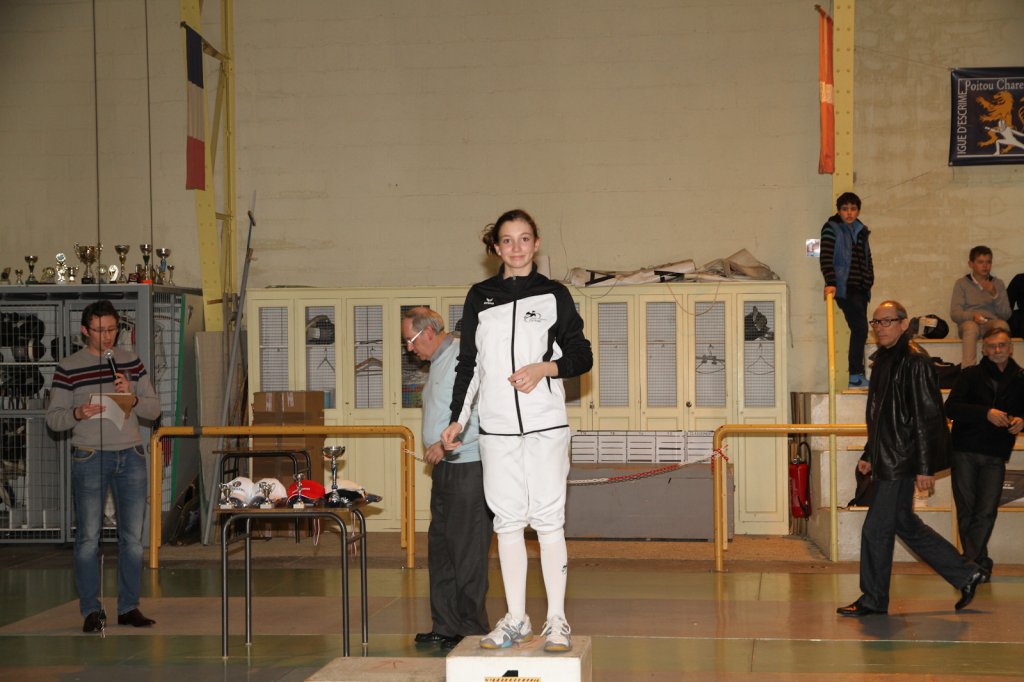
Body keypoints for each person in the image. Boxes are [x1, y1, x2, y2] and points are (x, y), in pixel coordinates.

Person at [441, 209, 592, 653]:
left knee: (548, 521)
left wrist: (544, 368)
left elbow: (581, 356)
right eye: (507, 240)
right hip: (497, 430)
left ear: (536, 243)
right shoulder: (479, 298)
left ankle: (557, 620)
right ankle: (516, 619)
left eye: (525, 239)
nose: (517, 248)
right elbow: (469, 366)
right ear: (496, 248)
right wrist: (457, 419)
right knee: (506, 523)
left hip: (546, 426)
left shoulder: (554, 295)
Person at [837, 300, 986, 617]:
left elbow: (927, 418)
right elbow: (881, 418)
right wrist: (869, 453)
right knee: (906, 524)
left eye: (887, 321)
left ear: (904, 324)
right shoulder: (884, 360)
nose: (880, 328)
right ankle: (966, 574)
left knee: (875, 530)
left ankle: (873, 599)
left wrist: (925, 467)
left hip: (902, 460)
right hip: (890, 457)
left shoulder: (915, 361)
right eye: (876, 322)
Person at [46, 300, 161, 633]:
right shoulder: (68, 367)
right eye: (99, 330)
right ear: (85, 330)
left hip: (131, 455)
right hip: (89, 456)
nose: (107, 336)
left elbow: (154, 410)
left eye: (112, 329)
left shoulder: (130, 362)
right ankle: (91, 611)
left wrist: (133, 396)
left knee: (132, 539)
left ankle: (129, 607)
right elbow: (54, 419)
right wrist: (77, 413)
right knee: (88, 538)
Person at [403, 306, 491, 650]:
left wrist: (444, 444)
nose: (409, 348)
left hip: (468, 467)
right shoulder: (437, 363)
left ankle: (472, 630)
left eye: (411, 340)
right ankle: (445, 625)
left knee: (467, 552)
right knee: (441, 549)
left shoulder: (461, 358)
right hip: (444, 470)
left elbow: (479, 412)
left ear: (428, 332)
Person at [945, 328, 1024, 579]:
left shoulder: (1021, 377)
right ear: (984, 349)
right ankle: (978, 564)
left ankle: (970, 564)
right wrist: (985, 413)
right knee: (967, 510)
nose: (997, 350)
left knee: (987, 510)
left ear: (1011, 348)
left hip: (995, 454)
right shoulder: (970, 375)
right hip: (964, 451)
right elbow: (950, 408)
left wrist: (1022, 421)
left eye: (1002, 345)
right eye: (992, 346)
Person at [819, 191, 874, 388]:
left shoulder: (861, 230)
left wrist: (869, 279)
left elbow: (868, 257)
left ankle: (857, 375)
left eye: (853, 209)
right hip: (845, 287)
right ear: (839, 210)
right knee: (860, 328)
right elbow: (826, 257)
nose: (849, 213)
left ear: (858, 211)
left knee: (860, 329)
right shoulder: (831, 228)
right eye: (845, 209)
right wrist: (831, 282)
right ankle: (855, 375)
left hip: (861, 288)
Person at [949, 245, 1011, 368]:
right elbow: (955, 313)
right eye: (980, 262)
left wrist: (995, 294)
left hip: (990, 323)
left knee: (1002, 325)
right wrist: (972, 316)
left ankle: (999, 369)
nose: (985, 266)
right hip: (969, 323)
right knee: (971, 327)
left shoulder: (997, 283)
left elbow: (1006, 314)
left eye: (988, 262)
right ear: (971, 264)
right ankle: (968, 370)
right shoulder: (961, 283)